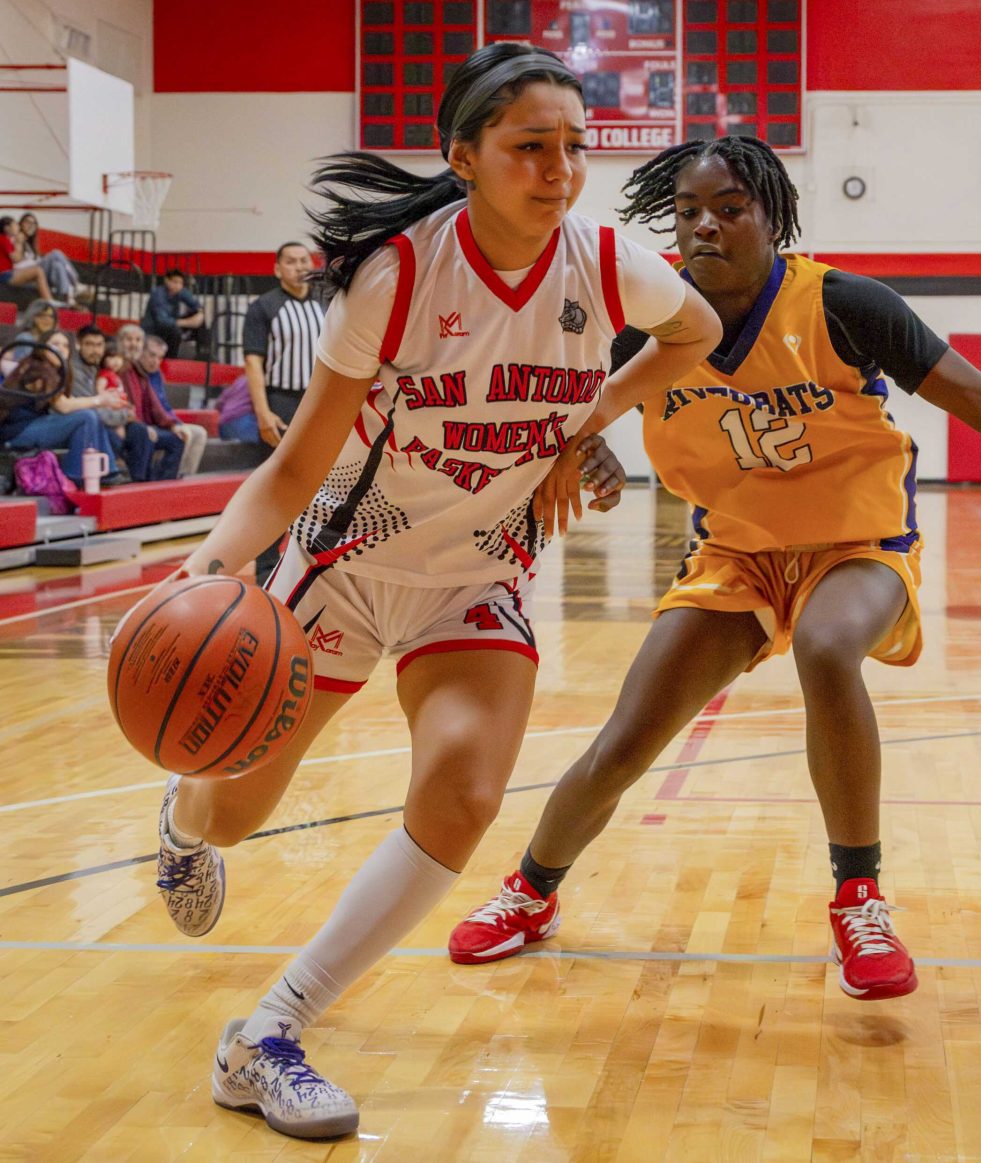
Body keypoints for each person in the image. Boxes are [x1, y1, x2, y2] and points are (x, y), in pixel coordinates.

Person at [450, 136, 981, 1002]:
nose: (705, 227)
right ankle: (533, 889)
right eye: (689, 211)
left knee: (828, 645)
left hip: (859, 544)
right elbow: (574, 412)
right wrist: (594, 458)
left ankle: (858, 896)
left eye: (730, 209)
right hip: (736, 552)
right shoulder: (648, 313)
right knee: (626, 737)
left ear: (773, 218)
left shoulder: (843, 303)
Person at [145, 43, 721, 1141]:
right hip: (343, 575)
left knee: (462, 795)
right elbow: (295, 465)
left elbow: (694, 333)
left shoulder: (606, 265)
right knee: (235, 804)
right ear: (465, 157)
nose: (558, 171)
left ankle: (267, 1032)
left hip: (476, 579)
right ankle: (180, 816)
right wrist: (207, 569)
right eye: (529, 149)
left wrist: (587, 424)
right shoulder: (400, 275)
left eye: (572, 149)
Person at [241, 241, 326, 581]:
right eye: (290, 262)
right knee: (277, 487)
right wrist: (263, 412)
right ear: (277, 269)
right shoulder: (264, 307)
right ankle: (263, 570)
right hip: (282, 402)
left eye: (303, 260)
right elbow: (252, 361)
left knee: (323, 486)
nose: (298, 266)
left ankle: (318, 565)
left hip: (320, 401)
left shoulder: (327, 303)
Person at [0, 329, 126, 486]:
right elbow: (63, 406)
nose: (60, 348)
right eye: (55, 343)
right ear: (42, 347)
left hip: (33, 425)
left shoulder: (55, 370)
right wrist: (100, 399)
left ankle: (106, 472)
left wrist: (107, 401)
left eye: (65, 345)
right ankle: (75, 476)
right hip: (17, 431)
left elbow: (70, 402)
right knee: (86, 417)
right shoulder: (37, 368)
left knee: (89, 416)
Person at [71, 325, 152, 482]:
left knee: (139, 431)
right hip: (87, 419)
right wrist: (123, 416)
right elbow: (91, 408)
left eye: (99, 345)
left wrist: (124, 413)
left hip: (107, 416)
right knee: (110, 434)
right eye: (89, 344)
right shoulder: (75, 371)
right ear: (79, 344)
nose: (95, 350)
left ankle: (138, 482)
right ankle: (111, 475)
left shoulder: (100, 367)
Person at [116, 324, 184, 480]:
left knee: (176, 440)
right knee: (141, 432)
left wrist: (172, 425)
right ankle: (141, 481)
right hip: (122, 424)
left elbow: (154, 404)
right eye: (129, 339)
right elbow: (120, 404)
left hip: (140, 425)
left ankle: (162, 483)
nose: (133, 344)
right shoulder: (114, 365)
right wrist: (145, 427)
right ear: (119, 342)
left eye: (138, 340)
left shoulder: (138, 370)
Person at [138, 334, 208, 475]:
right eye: (152, 355)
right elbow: (152, 409)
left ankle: (185, 476)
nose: (155, 361)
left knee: (200, 433)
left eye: (160, 358)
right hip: (148, 424)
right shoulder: (136, 373)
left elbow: (164, 405)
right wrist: (173, 425)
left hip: (163, 422)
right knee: (184, 434)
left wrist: (176, 422)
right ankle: (171, 477)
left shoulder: (156, 374)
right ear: (141, 352)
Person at [17, 213, 86, 306]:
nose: (30, 226)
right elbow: (18, 262)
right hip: (25, 276)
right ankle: (75, 283)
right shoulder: (17, 238)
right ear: (20, 224)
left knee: (57, 266)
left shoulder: (32, 246)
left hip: (39, 276)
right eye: (27, 222)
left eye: (34, 224)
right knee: (56, 253)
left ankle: (66, 297)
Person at [141, 268, 207, 358]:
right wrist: (190, 322)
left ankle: (203, 351)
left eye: (181, 283)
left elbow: (195, 304)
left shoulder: (180, 292)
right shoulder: (158, 294)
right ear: (167, 280)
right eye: (175, 282)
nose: (178, 285)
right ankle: (171, 358)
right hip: (155, 330)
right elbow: (162, 321)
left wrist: (200, 313)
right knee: (175, 330)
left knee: (197, 315)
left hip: (172, 324)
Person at [0, 216, 53, 303]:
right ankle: (49, 301)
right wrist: (19, 243)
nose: (18, 227)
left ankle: (48, 299)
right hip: (5, 275)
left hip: (7, 273)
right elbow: (16, 258)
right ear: (7, 228)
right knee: (38, 271)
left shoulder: (5, 240)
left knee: (37, 274)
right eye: (15, 225)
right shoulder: (4, 240)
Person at [8, 299, 58, 364]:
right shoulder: (25, 339)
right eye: (42, 316)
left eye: (51, 316)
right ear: (32, 317)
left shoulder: (56, 340)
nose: (47, 320)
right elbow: (24, 367)